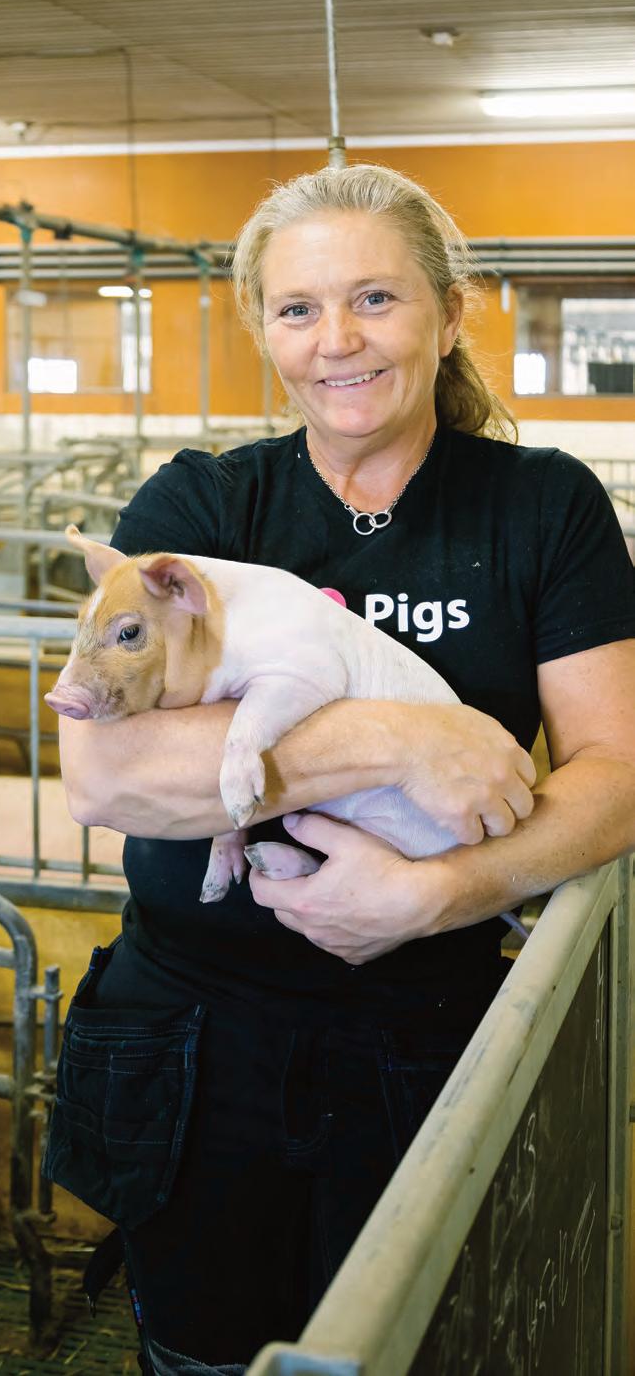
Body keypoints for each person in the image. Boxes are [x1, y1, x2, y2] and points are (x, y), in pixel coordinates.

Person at [44, 164, 635, 1375]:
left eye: (375, 297)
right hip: (194, 1039)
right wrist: (396, 737)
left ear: (448, 313)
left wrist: (440, 891)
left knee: (419, 1344)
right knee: (202, 1353)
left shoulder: (540, 507)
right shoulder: (201, 504)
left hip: (430, 1030)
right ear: (263, 329)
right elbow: (106, 778)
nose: (336, 341)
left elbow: (616, 768)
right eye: (297, 308)